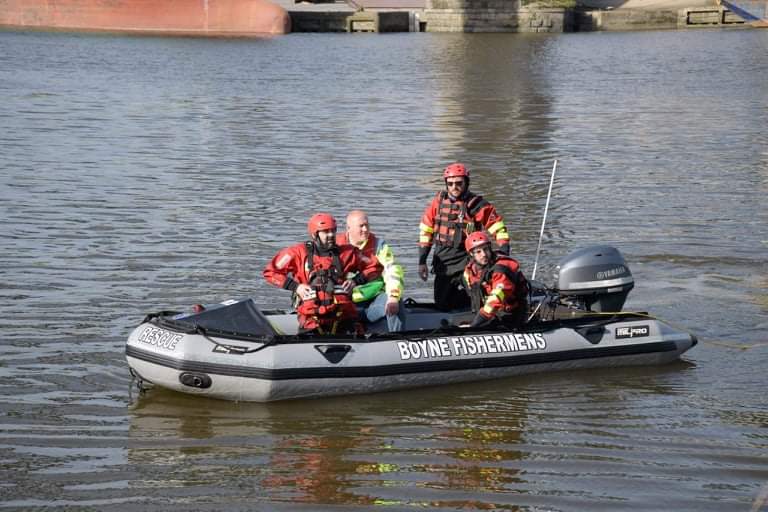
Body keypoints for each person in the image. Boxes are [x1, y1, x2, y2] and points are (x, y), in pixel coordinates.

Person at [263, 213, 383, 335]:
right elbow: (271, 272)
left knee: (354, 328)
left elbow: (375, 267)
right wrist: (296, 287)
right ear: (315, 234)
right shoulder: (296, 253)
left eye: (333, 231)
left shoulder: (348, 253)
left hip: (342, 315)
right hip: (311, 317)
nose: (331, 235)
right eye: (326, 232)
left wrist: (356, 281)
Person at [418, 162, 511, 311]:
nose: (454, 187)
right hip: (444, 260)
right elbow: (426, 230)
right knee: (442, 303)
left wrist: (503, 254)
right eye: (450, 184)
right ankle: (462, 313)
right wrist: (422, 261)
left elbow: (498, 228)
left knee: (477, 296)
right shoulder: (438, 202)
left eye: (459, 183)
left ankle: (484, 314)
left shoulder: (477, 205)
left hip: (468, 259)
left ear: (466, 182)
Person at [337, 210, 405, 332]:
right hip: (346, 303)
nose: (365, 229)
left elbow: (393, 271)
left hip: (373, 302)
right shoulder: (337, 246)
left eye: (367, 225)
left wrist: (393, 297)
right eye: (361, 226)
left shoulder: (379, 245)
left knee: (396, 302)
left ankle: (397, 339)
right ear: (348, 228)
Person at [462, 232, 529, 329]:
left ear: (490, 248)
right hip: (490, 313)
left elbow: (496, 299)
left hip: (510, 313)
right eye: (478, 252)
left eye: (485, 249)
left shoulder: (501, 269)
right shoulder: (470, 270)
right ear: (471, 254)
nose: (484, 254)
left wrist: (475, 325)